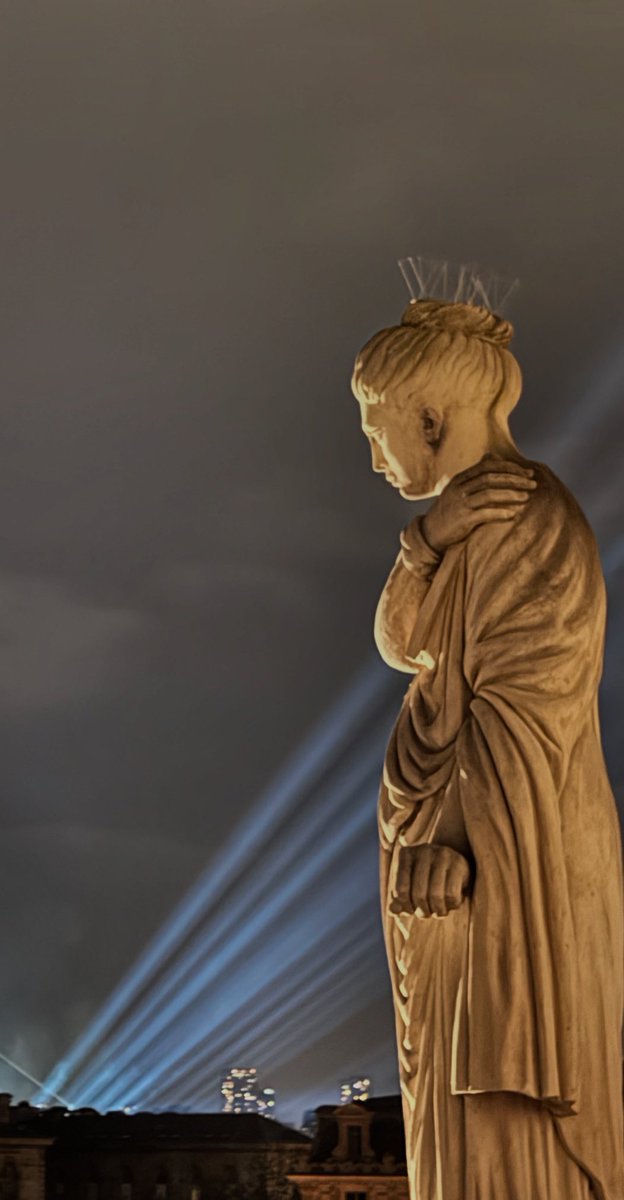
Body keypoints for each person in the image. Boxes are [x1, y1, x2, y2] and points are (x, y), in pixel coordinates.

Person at [352, 297, 624, 1198]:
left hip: (516, 857)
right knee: (455, 1136)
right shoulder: (465, 524)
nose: (376, 453)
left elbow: (524, 704)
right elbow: (403, 644)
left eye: (377, 428)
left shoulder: (527, 516)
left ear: (429, 417)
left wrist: (458, 840)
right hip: (460, 864)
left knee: (509, 1139)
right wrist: (427, 539)